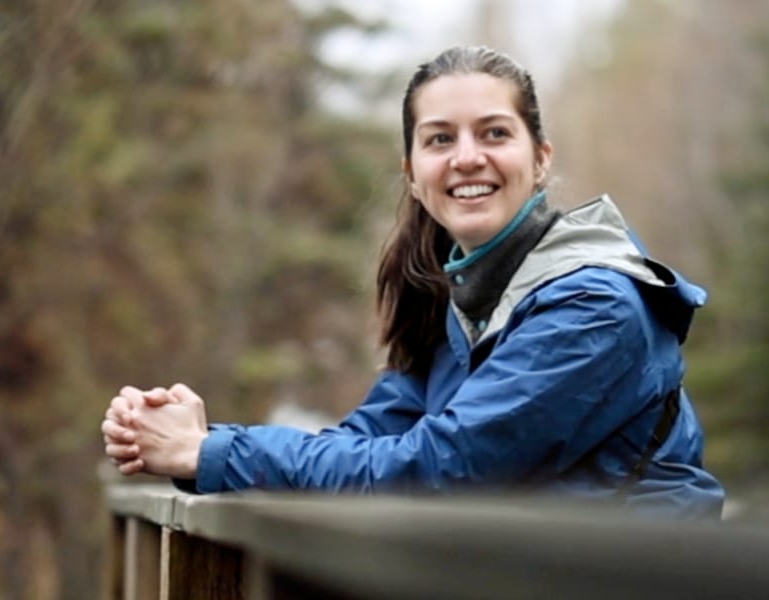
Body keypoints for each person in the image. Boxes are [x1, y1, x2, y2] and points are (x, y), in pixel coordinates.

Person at [102, 45, 724, 519]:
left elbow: (438, 467)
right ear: (412, 173)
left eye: (495, 133)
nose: (467, 157)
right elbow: (368, 441)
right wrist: (199, 437)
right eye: (439, 139)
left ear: (541, 158)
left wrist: (208, 453)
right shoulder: (461, 300)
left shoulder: (592, 307)